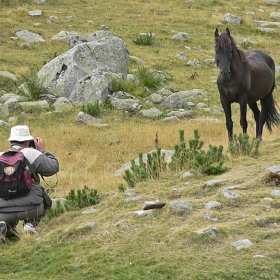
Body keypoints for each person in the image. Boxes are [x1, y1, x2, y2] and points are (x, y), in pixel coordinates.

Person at [0, 125, 59, 243]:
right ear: (27, 141)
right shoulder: (32, 153)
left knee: (8, 209)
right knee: (46, 202)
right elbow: (53, 167)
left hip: (3, 211)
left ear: (11, 141)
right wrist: (42, 151)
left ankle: (5, 226)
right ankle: (30, 225)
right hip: (32, 209)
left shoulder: (1, 156)